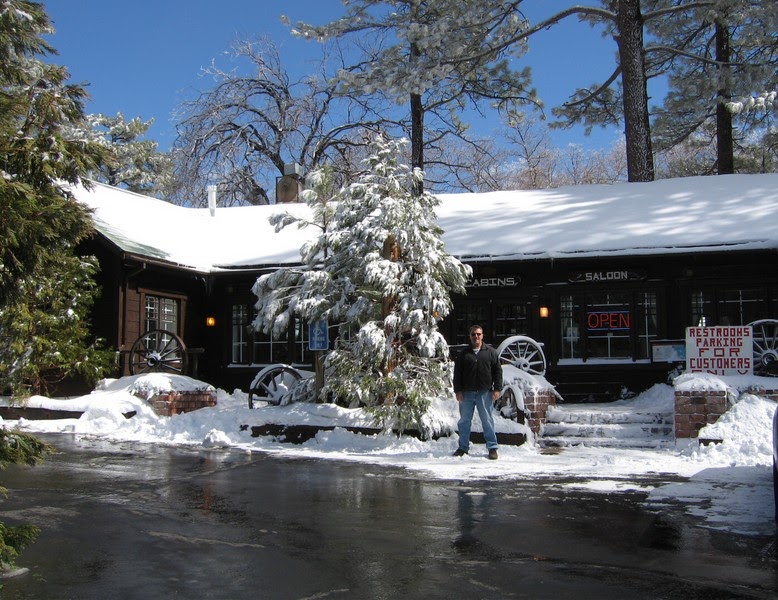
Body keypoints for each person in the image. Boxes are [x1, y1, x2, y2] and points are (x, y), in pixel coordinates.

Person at [452, 324, 502, 459]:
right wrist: (458, 390)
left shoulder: (490, 352)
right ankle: (463, 447)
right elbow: (457, 373)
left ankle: (492, 448)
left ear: (482, 335)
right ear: (470, 336)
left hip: (484, 393)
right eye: (473, 334)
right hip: (466, 393)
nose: (476, 337)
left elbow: (498, 371)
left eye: (478, 334)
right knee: (464, 421)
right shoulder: (464, 354)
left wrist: (497, 388)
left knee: (487, 420)